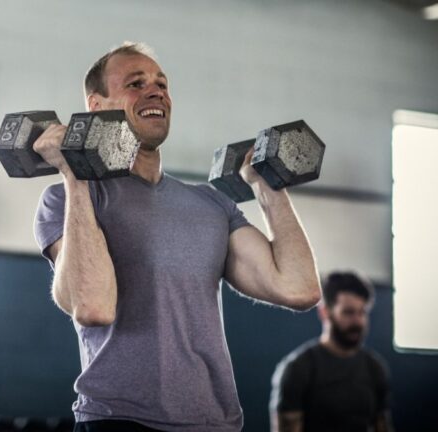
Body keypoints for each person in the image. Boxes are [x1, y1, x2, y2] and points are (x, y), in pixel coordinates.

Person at [33, 42, 321, 431]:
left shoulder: (212, 205)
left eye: (161, 84)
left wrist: (268, 186)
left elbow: (299, 288)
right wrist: (74, 172)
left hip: (215, 423)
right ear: (96, 107)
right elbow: (94, 307)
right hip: (119, 420)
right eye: (136, 83)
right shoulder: (68, 201)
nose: (156, 92)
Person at [270, 272, 393, 432]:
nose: (358, 321)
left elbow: (382, 426)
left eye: (362, 312)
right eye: (348, 312)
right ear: (325, 312)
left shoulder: (375, 368)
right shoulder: (298, 369)